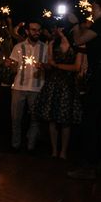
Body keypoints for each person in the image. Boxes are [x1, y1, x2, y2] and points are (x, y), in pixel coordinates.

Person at [66, 0, 101, 179]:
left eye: (94, 8)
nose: (92, 11)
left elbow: (80, 39)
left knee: (89, 118)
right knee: (99, 119)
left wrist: (75, 24)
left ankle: (89, 166)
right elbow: (92, 48)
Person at [33, 23, 83, 160]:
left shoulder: (77, 45)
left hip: (67, 86)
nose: (56, 30)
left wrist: (57, 65)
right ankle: (54, 151)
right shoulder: (52, 44)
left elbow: (77, 67)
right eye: (55, 28)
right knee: (52, 120)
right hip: (53, 85)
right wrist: (43, 66)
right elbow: (50, 66)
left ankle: (64, 152)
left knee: (65, 121)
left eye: (59, 28)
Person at [4, 20, 48, 153]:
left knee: (35, 119)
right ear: (27, 31)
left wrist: (44, 66)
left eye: (38, 30)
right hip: (19, 87)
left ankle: (30, 147)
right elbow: (13, 69)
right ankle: (15, 145)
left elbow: (50, 66)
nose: (37, 32)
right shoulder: (18, 47)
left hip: (37, 88)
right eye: (33, 30)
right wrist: (10, 64)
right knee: (16, 118)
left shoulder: (45, 48)